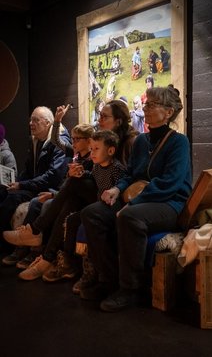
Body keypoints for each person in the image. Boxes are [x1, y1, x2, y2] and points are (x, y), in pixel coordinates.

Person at [80, 85, 192, 312]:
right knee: (92, 213)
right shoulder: (141, 141)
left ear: (168, 112)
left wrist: (133, 203)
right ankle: (109, 280)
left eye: (152, 104)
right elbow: (131, 175)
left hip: (169, 203)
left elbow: (170, 183)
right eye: (146, 103)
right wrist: (117, 190)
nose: (146, 108)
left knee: (130, 216)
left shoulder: (178, 142)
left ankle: (131, 290)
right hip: (138, 198)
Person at [3, 100, 138, 283]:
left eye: (104, 117)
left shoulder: (129, 142)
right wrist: (80, 173)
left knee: (70, 188)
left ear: (119, 121)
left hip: (113, 197)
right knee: (69, 201)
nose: (99, 120)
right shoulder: (99, 144)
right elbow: (93, 171)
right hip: (94, 192)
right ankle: (47, 258)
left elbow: (128, 175)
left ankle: (36, 232)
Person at [40, 129, 127, 283]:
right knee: (72, 219)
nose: (92, 153)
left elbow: (121, 190)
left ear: (111, 150)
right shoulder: (97, 166)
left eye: (96, 149)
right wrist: (81, 173)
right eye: (91, 149)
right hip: (97, 205)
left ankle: (96, 272)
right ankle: (70, 262)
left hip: (111, 208)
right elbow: (92, 176)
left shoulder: (117, 168)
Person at [0, 106, 70, 253]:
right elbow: (28, 170)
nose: (31, 123)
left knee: (13, 201)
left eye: (35, 120)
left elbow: (53, 177)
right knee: (6, 193)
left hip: (50, 188)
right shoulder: (36, 140)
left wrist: (22, 185)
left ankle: (15, 247)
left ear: (48, 123)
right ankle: (10, 246)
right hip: (36, 186)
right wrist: (15, 183)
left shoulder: (60, 142)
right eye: (30, 120)